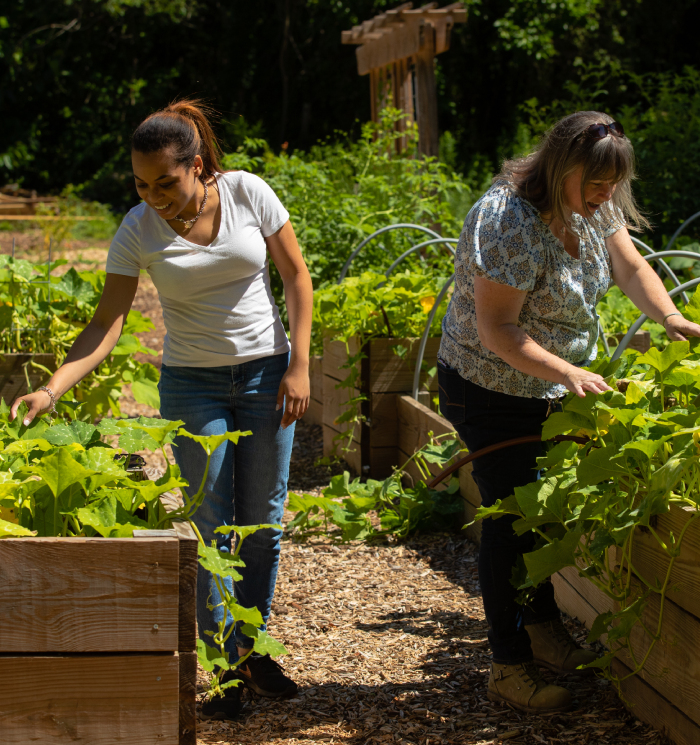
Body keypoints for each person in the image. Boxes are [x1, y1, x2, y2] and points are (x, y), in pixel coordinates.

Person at [11, 100, 313, 720]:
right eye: (142, 185)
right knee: (208, 521)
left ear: (197, 166)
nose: (154, 196)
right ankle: (225, 666)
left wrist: (300, 363)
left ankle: (251, 650)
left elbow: (297, 277)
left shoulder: (249, 193)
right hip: (191, 384)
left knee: (263, 521)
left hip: (266, 373)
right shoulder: (137, 228)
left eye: (166, 183)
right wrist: (53, 389)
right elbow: (107, 321)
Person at [438, 111, 700, 713]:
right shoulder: (506, 221)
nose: (606, 198)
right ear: (561, 169)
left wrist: (671, 317)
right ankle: (508, 664)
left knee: (546, 507)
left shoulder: (593, 201)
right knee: (511, 516)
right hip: (491, 386)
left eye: (614, 187)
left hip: (556, 387)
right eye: (597, 185)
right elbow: (499, 330)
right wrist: (570, 372)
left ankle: (541, 625)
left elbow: (630, 265)